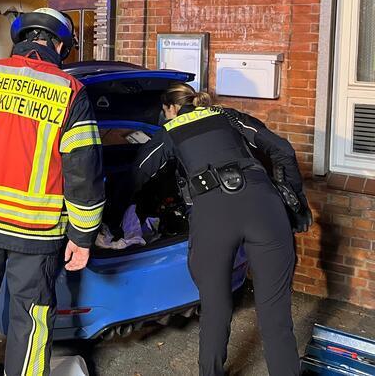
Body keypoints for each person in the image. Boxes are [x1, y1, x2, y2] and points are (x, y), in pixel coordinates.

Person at [0, 7, 105, 376]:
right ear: (60, 45)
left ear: (22, 38)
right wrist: (83, 235)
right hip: (36, 232)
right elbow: (83, 174)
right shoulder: (71, 92)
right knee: (31, 319)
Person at [134, 82, 312, 376]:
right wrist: (297, 203)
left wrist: (124, 210)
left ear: (171, 109)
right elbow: (283, 150)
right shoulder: (230, 116)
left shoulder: (171, 130)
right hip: (265, 208)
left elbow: (138, 173)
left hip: (214, 215)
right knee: (276, 316)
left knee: (215, 309)